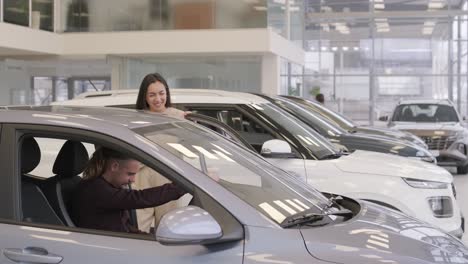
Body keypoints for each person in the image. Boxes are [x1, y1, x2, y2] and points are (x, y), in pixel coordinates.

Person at [70, 147, 186, 234]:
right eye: (130, 174)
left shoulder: (104, 186)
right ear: (114, 166)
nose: (133, 180)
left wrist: (149, 239)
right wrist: (182, 187)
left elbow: (124, 226)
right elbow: (139, 198)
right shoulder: (95, 189)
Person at [134, 73, 192, 232]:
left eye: (161, 93)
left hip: (169, 178)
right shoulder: (136, 118)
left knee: (169, 227)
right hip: (141, 176)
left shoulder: (178, 117)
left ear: (167, 93)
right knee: (138, 226)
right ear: (144, 97)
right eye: (152, 95)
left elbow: (189, 146)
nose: (158, 99)